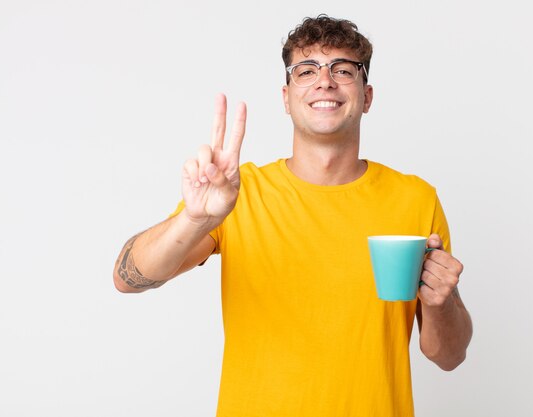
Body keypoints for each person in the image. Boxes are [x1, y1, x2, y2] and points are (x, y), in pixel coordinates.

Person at [113, 14, 472, 417]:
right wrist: (195, 220)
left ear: (367, 96)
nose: (325, 81)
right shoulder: (237, 194)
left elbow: (449, 356)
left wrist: (444, 301)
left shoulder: (416, 199)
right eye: (306, 70)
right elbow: (128, 278)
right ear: (286, 97)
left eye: (343, 69)